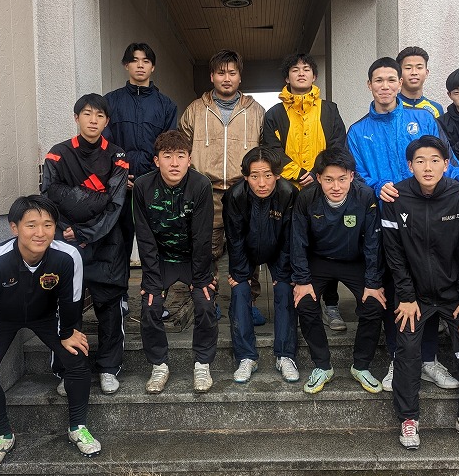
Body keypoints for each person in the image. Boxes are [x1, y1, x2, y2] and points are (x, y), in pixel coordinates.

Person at [347, 57, 459, 393]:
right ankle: (400, 358)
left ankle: (429, 360)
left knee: (427, 286)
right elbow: (356, 176)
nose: (386, 86)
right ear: (369, 85)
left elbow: (446, 160)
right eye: (379, 80)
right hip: (386, 219)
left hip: (428, 218)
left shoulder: (422, 118)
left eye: (391, 79)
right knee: (396, 288)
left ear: (400, 82)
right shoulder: (358, 131)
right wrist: (378, 185)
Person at [0, 195, 100, 469]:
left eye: (48, 225)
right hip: (2, 319)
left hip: (46, 315)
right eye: (31, 225)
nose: (40, 233)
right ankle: (2, 436)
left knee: (77, 358)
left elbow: (72, 299)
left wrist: (68, 331)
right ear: (14, 227)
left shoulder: (67, 256)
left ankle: (78, 427)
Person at [382, 136, 459, 450]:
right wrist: (406, 296)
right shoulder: (395, 197)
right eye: (420, 161)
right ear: (409, 165)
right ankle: (408, 418)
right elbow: (394, 255)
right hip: (414, 295)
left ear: (446, 164)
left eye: (434, 160)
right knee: (407, 350)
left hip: (454, 293)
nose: (427, 167)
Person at [41, 94, 129, 395]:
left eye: (100, 115)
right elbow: (49, 197)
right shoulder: (57, 154)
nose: (93, 120)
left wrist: (83, 231)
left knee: (110, 307)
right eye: (87, 114)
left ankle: (108, 368)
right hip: (67, 243)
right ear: (76, 117)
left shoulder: (117, 156)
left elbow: (115, 204)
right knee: (68, 307)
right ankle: (71, 370)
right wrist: (68, 229)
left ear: (107, 121)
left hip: (107, 242)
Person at [263, 53, 349, 331]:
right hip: (288, 192)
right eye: (295, 69)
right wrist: (299, 173)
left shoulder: (329, 110)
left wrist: (319, 173)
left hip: (323, 188)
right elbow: (271, 150)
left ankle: (331, 305)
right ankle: (299, 302)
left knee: (327, 244)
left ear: (314, 76)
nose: (301, 73)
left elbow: (338, 144)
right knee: (293, 246)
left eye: (306, 69)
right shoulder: (274, 114)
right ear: (287, 77)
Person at [290, 147, 385, 395]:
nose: (336, 186)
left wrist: (373, 282)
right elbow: (298, 241)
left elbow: (373, 242)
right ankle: (322, 365)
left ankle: (361, 366)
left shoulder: (365, 196)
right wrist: (302, 280)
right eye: (329, 179)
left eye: (342, 179)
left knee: (374, 304)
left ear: (352, 176)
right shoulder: (306, 198)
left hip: (354, 260)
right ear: (318, 178)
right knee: (304, 302)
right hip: (319, 259)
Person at [179, 50, 265, 320]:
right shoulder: (195, 109)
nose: (226, 78)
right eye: (221, 73)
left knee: (248, 248)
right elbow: (182, 148)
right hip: (207, 191)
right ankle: (210, 301)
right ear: (212, 76)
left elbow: (265, 151)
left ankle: (248, 303)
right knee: (207, 249)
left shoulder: (256, 111)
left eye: (232, 73)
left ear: (240, 77)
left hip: (244, 191)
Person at [132, 130, 217, 393]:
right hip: (161, 259)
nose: (174, 163)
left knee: (205, 302)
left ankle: (202, 364)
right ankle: (159, 365)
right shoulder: (143, 187)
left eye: (181, 156)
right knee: (150, 305)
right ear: (156, 160)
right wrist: (151, 279)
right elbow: (144, 237)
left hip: (193, 259)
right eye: (167, 156)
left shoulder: (200, 185)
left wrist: (201, 278)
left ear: (189, 159)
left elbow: (202, 236)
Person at [222, 146, 298, 383]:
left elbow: (290, 237)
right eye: (254, 176)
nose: (262, 183)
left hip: (277, 249)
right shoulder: (235, 195)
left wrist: (283, 271)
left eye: (267, 175)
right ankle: (246, 357)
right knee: (240, 290)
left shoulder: (288, 193)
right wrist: (240, 273)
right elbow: (234, 238)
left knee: (285, 288)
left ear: (277, 175)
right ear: (246, 176)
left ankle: (285, 355)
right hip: (246, 248)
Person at [104, 42, 177, 273]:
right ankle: (120, 291)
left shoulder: (166, 105)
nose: (140, 65)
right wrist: (117, 176)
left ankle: (155, 291)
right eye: (134, 60)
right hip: (119, 187)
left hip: (153, 186)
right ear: (126, 65)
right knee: (119, 243)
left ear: (153, 67)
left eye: (146, 61)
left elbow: (168, 148)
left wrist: (155, 177)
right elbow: (104, 144)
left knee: (155, 243)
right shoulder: (111, 102)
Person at [395, 46, 444, 118]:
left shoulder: (436, 109)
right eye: (408, 68)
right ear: (399, 73)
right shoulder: (391, 106)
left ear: (426, 73)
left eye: (419, 67)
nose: (414, 72)